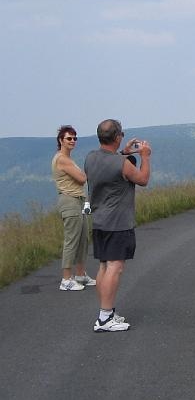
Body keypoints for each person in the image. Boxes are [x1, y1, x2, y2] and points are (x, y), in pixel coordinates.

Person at [85, 119, 151, 333]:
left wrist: (123, 152)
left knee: (104, 266)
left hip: (99, 221)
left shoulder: (90, 158)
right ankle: (105, 318)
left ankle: (107, 312)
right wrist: (144, 156)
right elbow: (142, 179)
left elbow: (109, 164)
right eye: (121, 134)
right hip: (118, 222)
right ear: (117, 137)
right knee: (115, 267)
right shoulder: (121, 164)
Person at [52, 125, 94, 291]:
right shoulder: (62, 159)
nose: (72, 141)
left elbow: (81, 178)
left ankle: (80, 274)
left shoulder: (68, 159)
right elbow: (82, 178)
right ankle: (66, 279)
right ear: (61, 140)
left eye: (75, 138)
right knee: (72, 240)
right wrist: (85, 174)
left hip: (78, 201)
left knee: (83, 238)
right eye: (69, 138)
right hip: (69, 201)